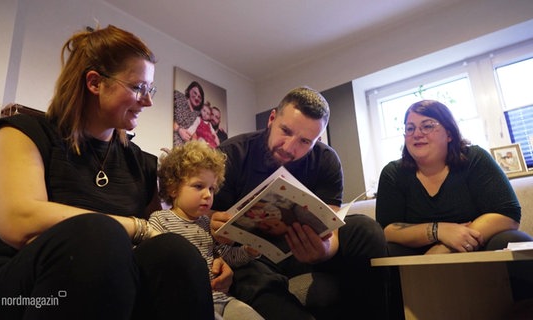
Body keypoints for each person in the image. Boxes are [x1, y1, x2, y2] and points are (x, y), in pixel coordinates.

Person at [0, 25, 232, 319]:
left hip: (112, 298)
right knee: (98, 235)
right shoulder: (23, 133)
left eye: (150, 89)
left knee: (177, 253)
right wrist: (132, 226)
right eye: (138, 88)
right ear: (94, 82)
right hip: (16, 297)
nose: (148, 101)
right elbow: (17, 222)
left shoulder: (140, 163)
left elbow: (160, 235)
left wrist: (213, 257)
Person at [210, 86, 389, 320]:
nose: (289, 147)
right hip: (250, 257)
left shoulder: (326, 160)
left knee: (365, 229)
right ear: (272, 119)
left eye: (305, 141)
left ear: (317, 139)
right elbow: (203, 213)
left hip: (306, 255)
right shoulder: (232, 153)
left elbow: (332, 224)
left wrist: (323, 250)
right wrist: (212, 223)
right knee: (251, 275)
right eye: (285, 131)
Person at [375, 100, 533, 311]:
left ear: (449, 133)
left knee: (513, 241)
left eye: (427, 126)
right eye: (410, 128)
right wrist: (438, 231)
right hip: (417, 254)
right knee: (386, 255)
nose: (417, 133)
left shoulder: (474, 158)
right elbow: (387, 229)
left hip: (478, 246)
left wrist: (448, 245)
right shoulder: (393, 173)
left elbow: (507, 213)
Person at [149, 140, 263, 320]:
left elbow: (226, 255)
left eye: (211, 188)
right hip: (187, 300)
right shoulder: (160, 219)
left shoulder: (206, 224)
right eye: (198, 186)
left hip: (221, 298)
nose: (208, 195)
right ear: (172, 188)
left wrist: (249, 251)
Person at [174, 80, 205, 146]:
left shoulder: (197, 113)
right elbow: (166, 117)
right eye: (195, 93)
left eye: (199, 97)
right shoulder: (178, 97)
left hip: (186, 148)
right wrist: (179, 130)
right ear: (189, 90)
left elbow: (194, 131)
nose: (196, 97)